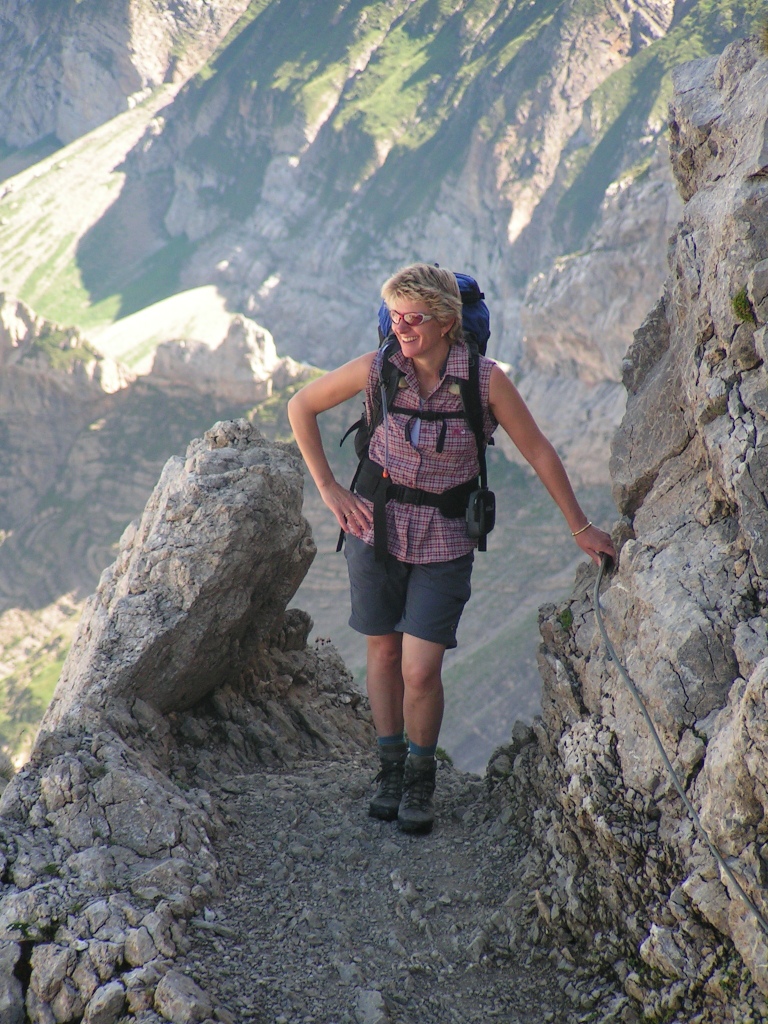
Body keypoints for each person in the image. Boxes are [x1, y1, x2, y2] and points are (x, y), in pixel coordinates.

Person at [287, 263, 615, 834]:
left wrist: (580, 527)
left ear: (445, 322)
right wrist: (329, 489)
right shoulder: (378, 368)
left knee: (420, 669)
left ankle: (420, 777)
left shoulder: (485, 381)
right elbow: (301, 406)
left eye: (414, 318)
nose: (402, 328)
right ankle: (390, 770)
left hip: (445, 536)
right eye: (395, 316)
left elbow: (538, 451)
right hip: (375, 525)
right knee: (383, 654)